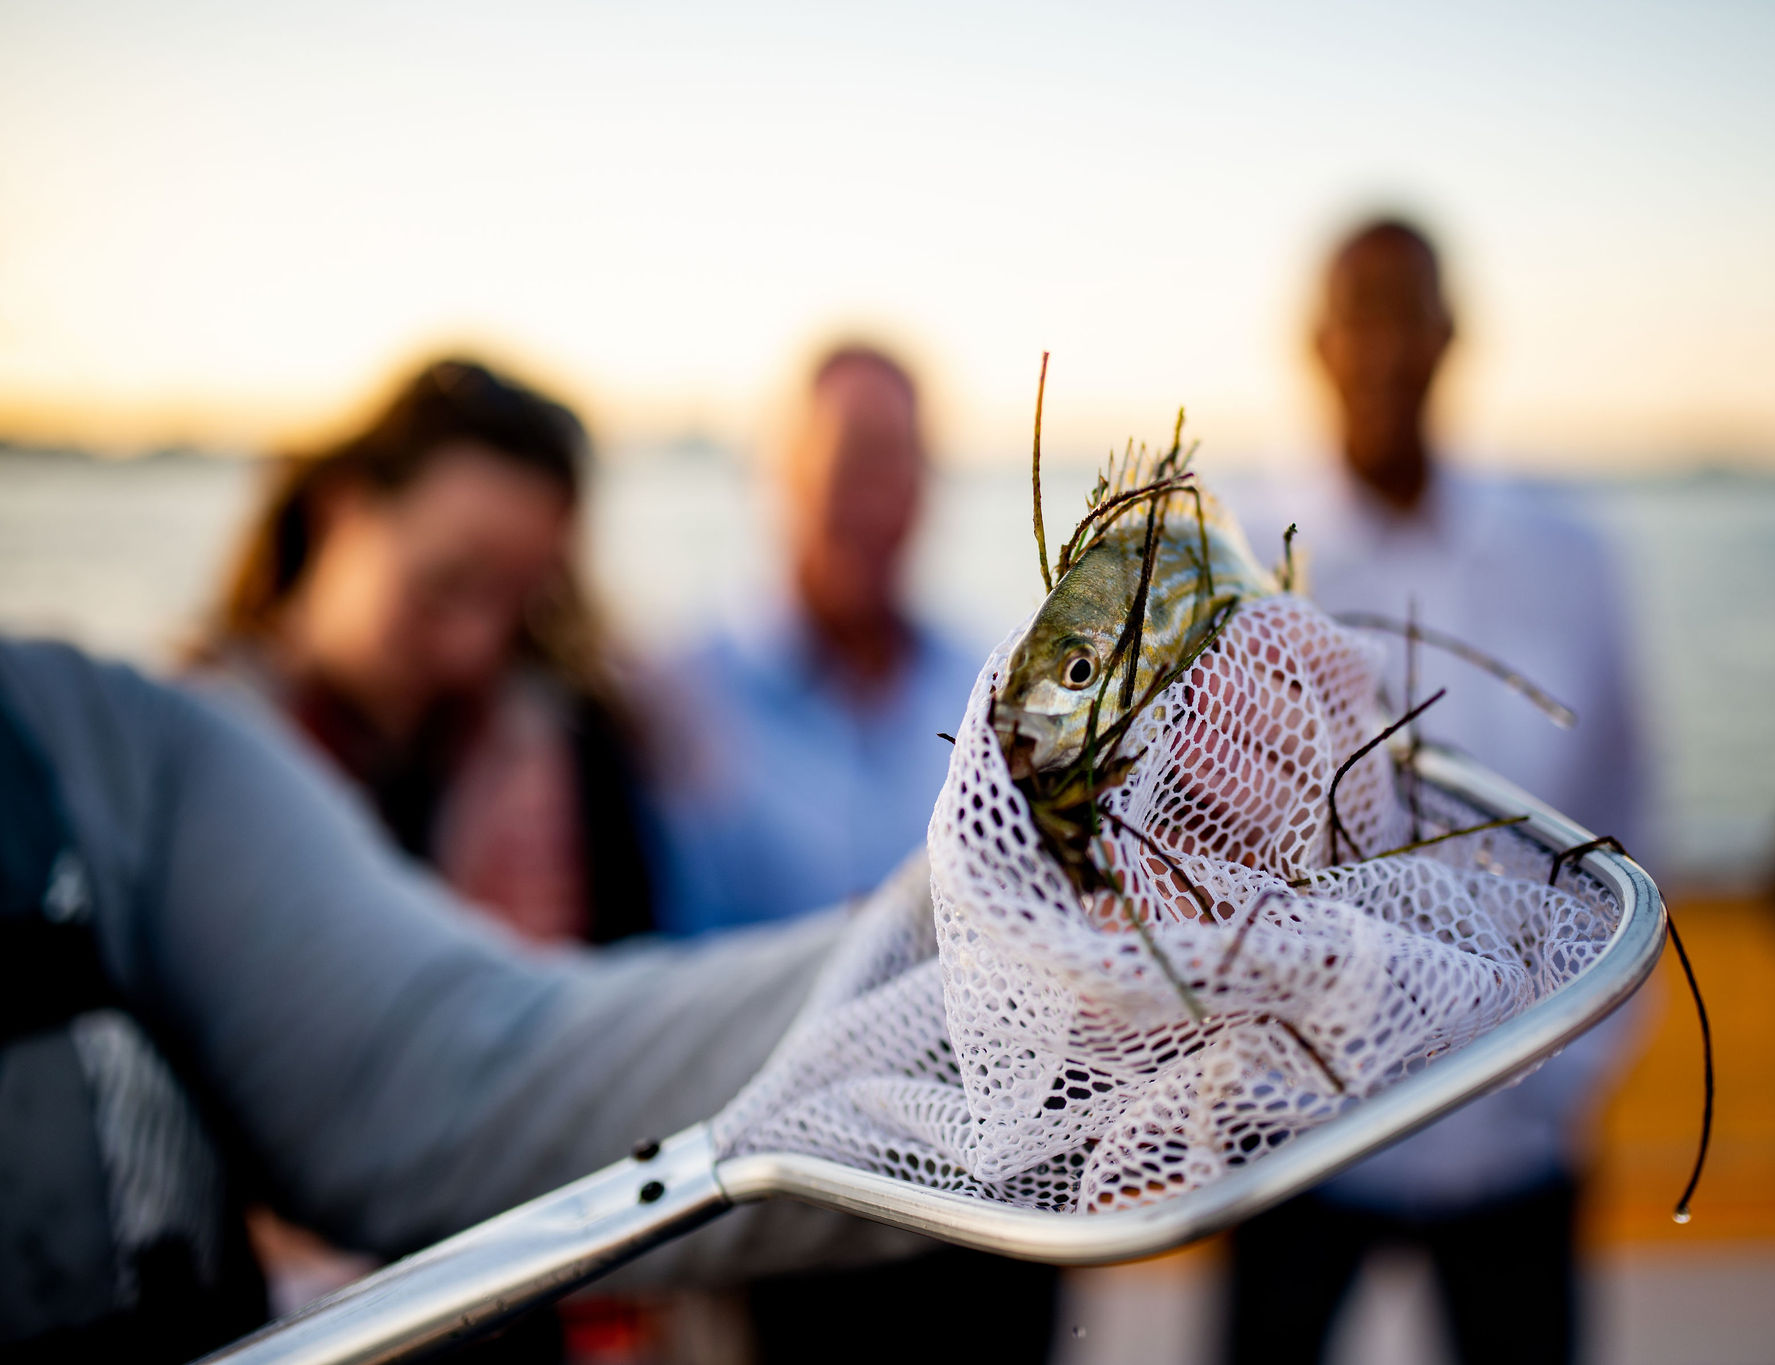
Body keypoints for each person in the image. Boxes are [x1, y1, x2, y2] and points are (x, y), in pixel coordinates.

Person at [0, 637, 916, 1364]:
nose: (472, 643)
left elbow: (471, 1070)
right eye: (447, 583)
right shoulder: (214, 713)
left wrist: (993, 969)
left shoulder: (98, 747)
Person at [1225, 218, 1650, 1364]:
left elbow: (1626, 817)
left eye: (1404, 314)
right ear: (1316, 342)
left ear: (1449, 333)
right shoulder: (1236, 557)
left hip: (1516, 1124)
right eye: (1356, 316)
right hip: (1297, 1132)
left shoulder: (1567, 554)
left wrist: (1577, 1067)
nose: (1382, 351)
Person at [643, 344, 1055, 1363]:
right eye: (849, 458)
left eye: (902, 462)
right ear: (776, 473)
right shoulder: (677, 696)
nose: (875, 496)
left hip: (985, 1212)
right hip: (781, 1213)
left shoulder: (991, 682)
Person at [191, 357, 658, 948]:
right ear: (342, 511)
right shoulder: (192, 755)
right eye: (445, 585)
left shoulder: (577, 753)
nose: (475, 646)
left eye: (521, 603)